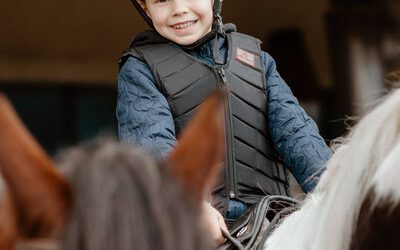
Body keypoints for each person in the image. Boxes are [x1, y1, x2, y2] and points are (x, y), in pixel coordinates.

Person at [116, 0, 332, 244]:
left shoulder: (259, 61)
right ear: (145, 8)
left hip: (272, 221)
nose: (178, 9)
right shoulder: (140, 70)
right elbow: (152, 147)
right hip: (191, 230)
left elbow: (297, 134)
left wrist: (335, 189)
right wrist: (190, 205)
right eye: (161, 0)